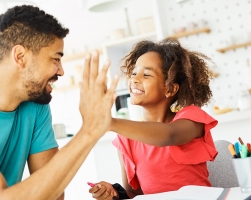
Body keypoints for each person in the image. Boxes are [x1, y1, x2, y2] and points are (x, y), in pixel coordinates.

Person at [0, 5, 118, 200]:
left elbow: (53, 195)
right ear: (20, 56)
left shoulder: (36, 106)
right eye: (55, 59)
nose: (61, 71)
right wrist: (88, 132)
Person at [89, 38, 218, 199]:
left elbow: (168, 135)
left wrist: (111, 122)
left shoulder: (191, 119)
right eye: (134, 73)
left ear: (170, 88)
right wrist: (114, 194)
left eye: (146, 75)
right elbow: (134, 194)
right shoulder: (126, 139)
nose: (135, 79)